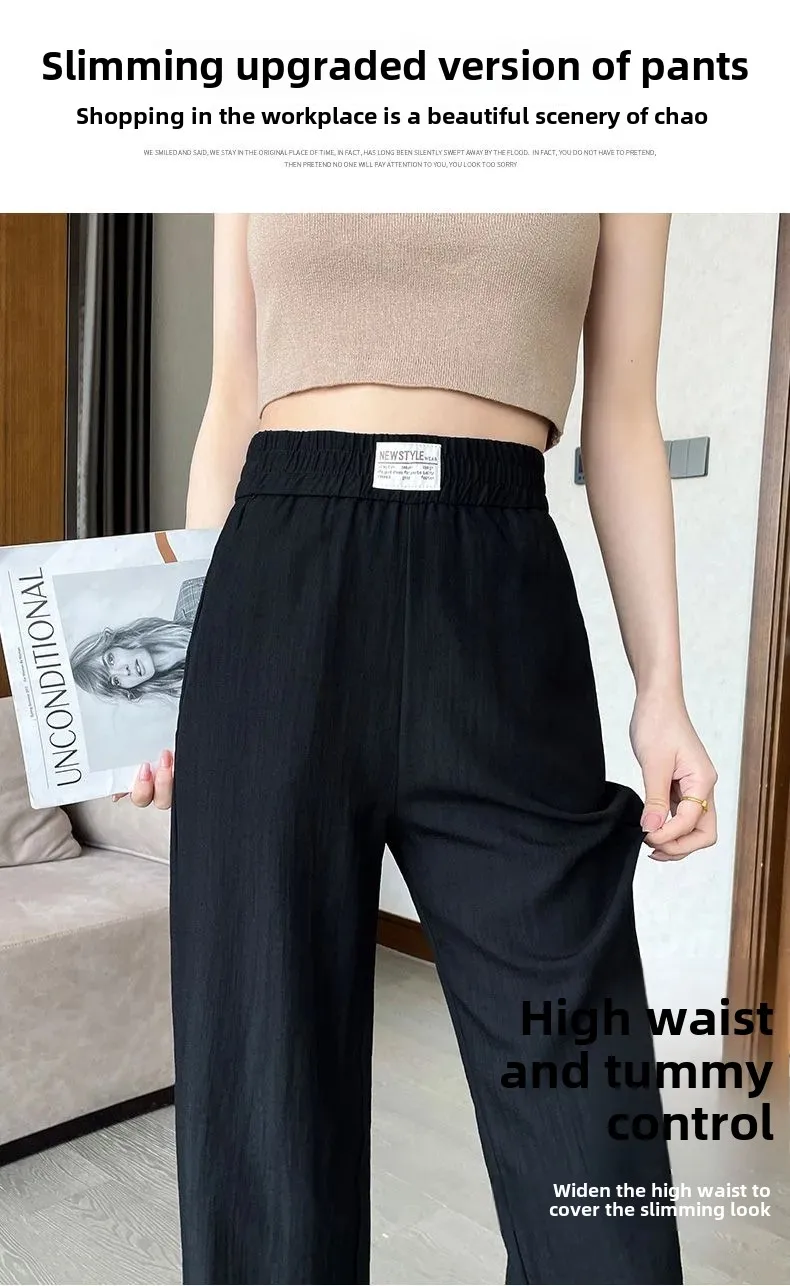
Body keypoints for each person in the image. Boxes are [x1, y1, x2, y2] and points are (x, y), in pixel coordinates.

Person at [123, 213, 717, 1285]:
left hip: (500, 598)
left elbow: (623, 416)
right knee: (262, 1105)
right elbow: (234, 400)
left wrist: (661, 689)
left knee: (590, 1140)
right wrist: (177, 684)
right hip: (276, 595)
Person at [71, 576, 204, 703]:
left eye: (110, 660)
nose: (124, 672)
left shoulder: (193, 592)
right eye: (115, 681)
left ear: (118, 641)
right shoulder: (195, 697)